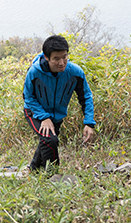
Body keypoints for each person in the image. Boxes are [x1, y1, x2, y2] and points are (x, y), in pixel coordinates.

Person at [23, 35, 96, 172]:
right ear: (46, 57)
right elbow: (28, 96)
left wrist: (89, 122)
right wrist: (44, 117)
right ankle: (52, 176)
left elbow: (86, 96)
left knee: (47, 139)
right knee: (50, 140)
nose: (62, 62)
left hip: (57, 115)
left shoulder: (75, 72)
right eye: (56, 59)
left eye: (64, 56)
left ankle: (33, 169)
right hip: (34, 111)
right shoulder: (34, 72)